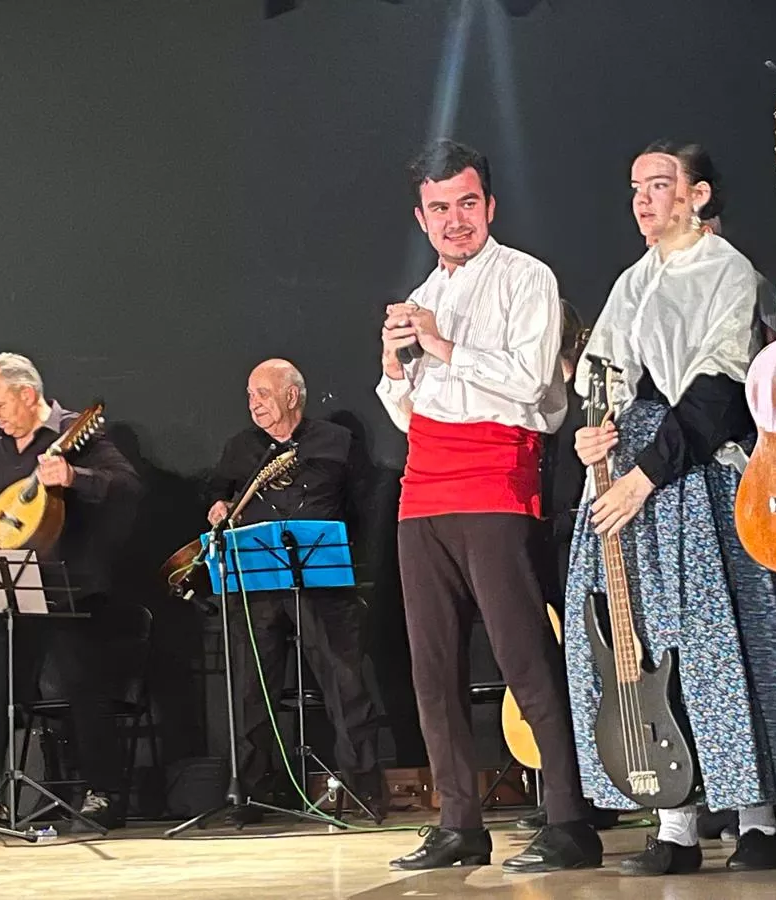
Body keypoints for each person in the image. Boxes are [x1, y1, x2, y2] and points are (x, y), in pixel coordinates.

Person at [566, 141, 776, 876]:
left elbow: (718, 389)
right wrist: (592, 440)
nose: (643, 200)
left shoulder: (727, 271)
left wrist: (644, 475)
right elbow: (602, 378)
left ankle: (756, 817)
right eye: (635, 186)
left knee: (720, 644)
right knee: (639, 644)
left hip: (695, 473)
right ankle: (674, 821)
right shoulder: (632, 280)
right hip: (630, 486)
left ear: (698, 196)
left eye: (660, 185)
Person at [377, 139, 598, 873]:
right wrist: (392, 372)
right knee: (431, 668)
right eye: (439, 208)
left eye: (467, 203)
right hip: (423, 487)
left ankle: (571, 818)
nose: (455, 220)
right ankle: (458, 822)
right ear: (421, 217)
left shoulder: (526, 277)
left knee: (523, 656)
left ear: (490, 205)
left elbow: (536, 386)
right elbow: (413, 415)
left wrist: (440, 347)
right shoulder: (423, 295)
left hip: (496, 479)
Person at [0, 353, 140, 829]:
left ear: (28, 395)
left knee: (82, 684)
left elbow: (128, 488)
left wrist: (75, 478)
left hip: (72, 588)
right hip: (16, 586)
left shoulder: (75, 434)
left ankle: (103, 793)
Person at [205, 358, 383, 823]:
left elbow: (365, 508)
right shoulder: (240, 448)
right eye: (249, 396)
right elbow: (217, 499)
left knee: (346, 684)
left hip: (323, 581)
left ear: (292, 396)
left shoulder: (337, 443)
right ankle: (250, 796)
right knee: (250, 691)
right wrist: (218, 507)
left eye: (262, 394)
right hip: (259, 583)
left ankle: (364, 790)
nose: (253, 404)